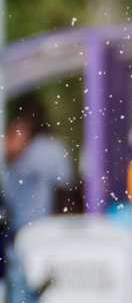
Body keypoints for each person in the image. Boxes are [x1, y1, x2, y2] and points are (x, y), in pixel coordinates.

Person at [4, 94, 73, 230]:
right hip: (17, 228)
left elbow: (66, 190)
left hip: (43, 227)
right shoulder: (10, 148)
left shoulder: (51, 149)